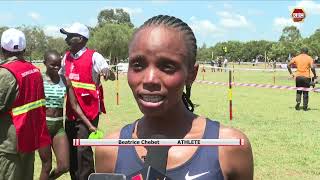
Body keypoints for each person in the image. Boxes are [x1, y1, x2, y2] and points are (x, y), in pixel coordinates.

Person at [95, 15, 253, 180]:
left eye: (167, 66)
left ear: (191, 74)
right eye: (138, 65)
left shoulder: (229, 147)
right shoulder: (109, 149)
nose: (149, 79)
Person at [58, 22, 115, 180]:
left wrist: (107, 72)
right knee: (72, 150)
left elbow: (111, 76)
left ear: (81, 39)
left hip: (89, 112)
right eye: (67, 36)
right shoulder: (66, 58)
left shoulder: (95, 57)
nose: (67, 40)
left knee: (83, 149)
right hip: (71, 111)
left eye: (70, 36)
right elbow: (62, 79)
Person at [0, 28, 51, 180]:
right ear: (24, 49)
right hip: (28, 142)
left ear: (2, 49)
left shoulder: (4, 74)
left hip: (9, 147)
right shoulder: (35, 71)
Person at [40, 50, 69, 179]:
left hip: (58, 127)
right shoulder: (39, 80)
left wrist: (89, 124)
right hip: (43, 127)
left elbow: (73, 105)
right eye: (53, 65)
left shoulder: (65, 80)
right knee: (46, 166)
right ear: (45, 63)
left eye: (59, 64)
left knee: (64, 166)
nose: (57, 67)